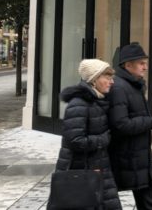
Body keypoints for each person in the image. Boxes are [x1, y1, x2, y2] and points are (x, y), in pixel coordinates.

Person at [52, 59, 122, 210]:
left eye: (111, 78)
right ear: (94, 80)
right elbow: (75, 140)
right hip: (82, 171)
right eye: (107, 78)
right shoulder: (79, 104)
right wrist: (103, 140)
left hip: (97, 167)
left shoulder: (97, 101)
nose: (111, 82)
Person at [108, 43, 152, 210]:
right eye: (141, 63)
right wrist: (150, 122)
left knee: (148, 202)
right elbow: (120, 124)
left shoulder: (133, 85)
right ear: (127, 65)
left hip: (138, 154)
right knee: (149, 204)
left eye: (145, 63)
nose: (145, 67)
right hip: (128, 155)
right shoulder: (119, 87)